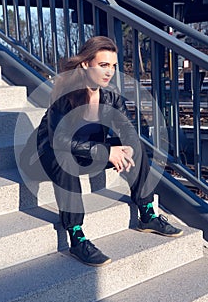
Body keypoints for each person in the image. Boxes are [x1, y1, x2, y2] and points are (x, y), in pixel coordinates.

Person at [37, 36, 183, 267]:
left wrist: (125, 148)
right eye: (103, 65)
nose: (110, 72)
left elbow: (126, 128)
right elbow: (60, 140)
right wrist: (106, 153)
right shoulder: (65, 93)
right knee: (63, 158)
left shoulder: (111, 95)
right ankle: (76, 236)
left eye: (113, 66)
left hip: (91, 149)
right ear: (86, 64)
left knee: (136, 144)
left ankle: (146, 213)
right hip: (55, 148)